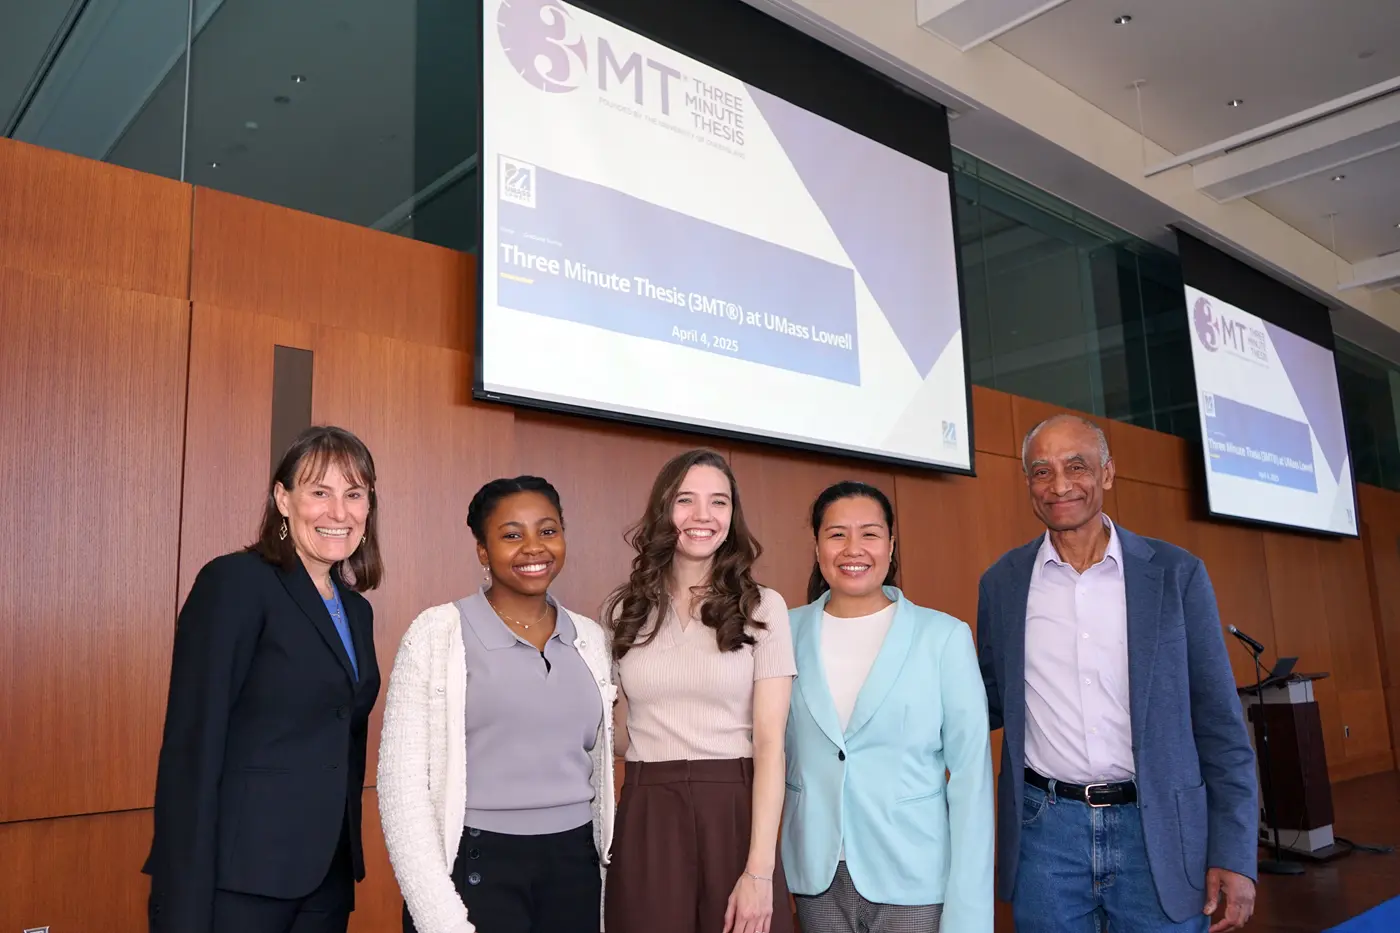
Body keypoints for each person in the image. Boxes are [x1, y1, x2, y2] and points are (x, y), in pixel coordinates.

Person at [976, 414, 1259, 933]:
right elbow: (988, 700)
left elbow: (1220, 724)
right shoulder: (1002, 584)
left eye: (1076, 466)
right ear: (1027, 484)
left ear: (1107, 473)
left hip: (1159, 832)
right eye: (1041, 471)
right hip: (1046, 834)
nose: (1059, 485)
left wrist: (1236, 851)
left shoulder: (1177, 574)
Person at [144, 425, 384, 933]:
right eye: (320, 492)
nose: (338, 512)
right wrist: (181, 897)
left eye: (354, 495)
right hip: (241, 876)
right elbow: (194, 744)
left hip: (327, 876)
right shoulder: (235, 582)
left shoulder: (356, 611)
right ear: (283, 498)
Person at [377, 475, 615, 933]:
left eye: (548, 530)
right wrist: (438, 916)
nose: (534, 548)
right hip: (475, 866)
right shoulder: (437, 633)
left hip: (575, 866)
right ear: (482, 551)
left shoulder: (590, 639)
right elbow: (400, 790)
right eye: (511, 535)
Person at [783, 481, 994, 933]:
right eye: (837, 534)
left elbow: (972, 779)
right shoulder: (782, 633)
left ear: (892, 545)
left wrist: (970, 916)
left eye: (870, 533)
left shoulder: (944, 638)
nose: (852, 548)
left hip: (913, 873)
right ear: (817, 545)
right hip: (816, 875)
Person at [604, 448, 796, 933]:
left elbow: (771, 743)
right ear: (663, 509)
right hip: (648, 808)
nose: (703, 516)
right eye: (685, 500)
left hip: (734, 807)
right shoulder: (625, 610)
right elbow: (619, 729)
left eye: (719, 502)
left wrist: (759, 870)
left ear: (733, 516)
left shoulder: (763, 607)